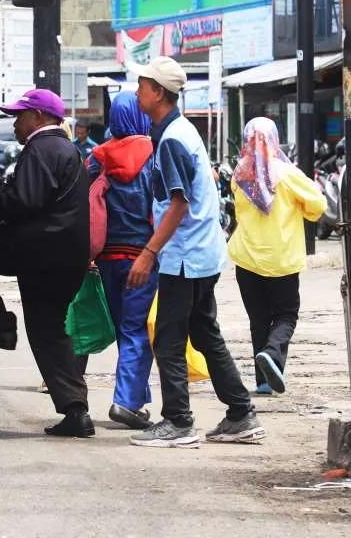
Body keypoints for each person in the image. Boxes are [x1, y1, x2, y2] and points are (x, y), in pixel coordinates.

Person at [126, 57, 265, 448]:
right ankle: (241, 413)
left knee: (169, 339)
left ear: (159, 93)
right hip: (200, 253)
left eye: (142, 86)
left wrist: (148, 253)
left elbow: (179, 204)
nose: (137, 92)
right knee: (204, 333)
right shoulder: (179, 130)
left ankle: (178, 421)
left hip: (185, 257)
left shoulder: (173, 138)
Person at [0, 88, 93, 438]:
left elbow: (24, 201)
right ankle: (75, 408)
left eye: (20, 116)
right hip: (66, 256)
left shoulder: (41, 148)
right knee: (52, 330)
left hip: (42, 255)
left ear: (38, 117)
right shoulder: (67, 149)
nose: (15, 124)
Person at [228, 117, 326, 395]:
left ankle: (262, 381)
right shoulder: (287, 173)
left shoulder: (239, 174)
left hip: (247, 259)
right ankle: (272, 353)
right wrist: (300, 208)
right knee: (286, 315)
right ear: (274, 139)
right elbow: (318, 205)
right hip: (281, 259)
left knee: (258, 319)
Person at [86, 92, 158, 430]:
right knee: (136, 330)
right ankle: (126, 402)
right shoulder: (154, 156)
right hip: (142, 258)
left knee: (124, 329)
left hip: (105, 259)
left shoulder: (96, 158)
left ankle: (136, 399)